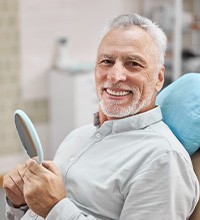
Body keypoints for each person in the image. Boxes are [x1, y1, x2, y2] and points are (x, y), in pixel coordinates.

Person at [3, 13, 199, 220]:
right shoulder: (78, 136)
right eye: (106, 61)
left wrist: (56, 208)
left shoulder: (163, 160)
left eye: (133, 64)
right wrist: (21, 203)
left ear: (159, 78)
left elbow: (52, 209)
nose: (114, 76)